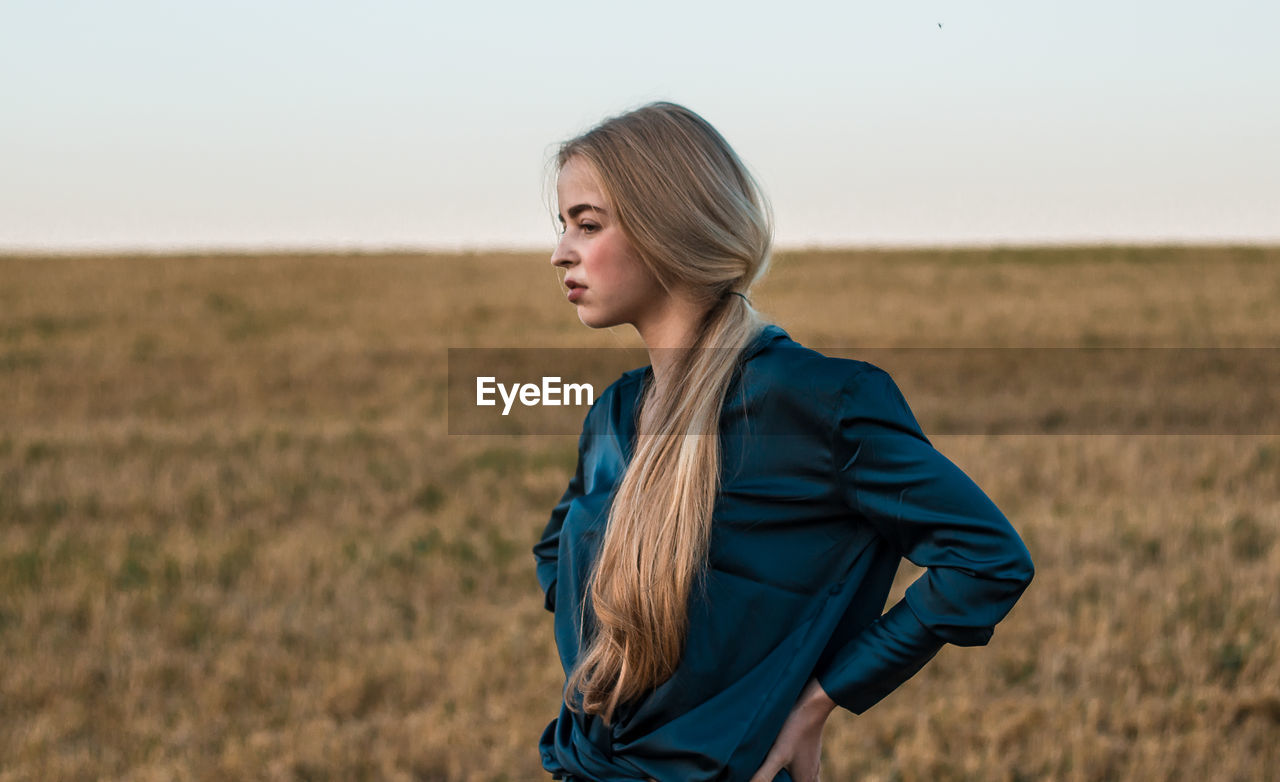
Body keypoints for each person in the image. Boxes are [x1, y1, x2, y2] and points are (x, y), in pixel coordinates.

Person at [532, 101, 1035, 782]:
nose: (560, 251)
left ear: (669, 229)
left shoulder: (822, 403)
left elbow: (986, 557)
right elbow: (558, 549)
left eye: (587, 225)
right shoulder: (617, 412)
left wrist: (817, 699)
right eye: (563, 225)